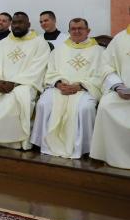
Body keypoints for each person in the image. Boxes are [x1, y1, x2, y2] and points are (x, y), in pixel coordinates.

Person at [0, 12, 49, 150]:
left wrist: (16, 83)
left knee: (19, 97)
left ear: (28, 24)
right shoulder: (4, 42)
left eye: (20, 23)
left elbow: (38, 68)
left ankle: (15, 142)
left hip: (24, 84)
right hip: (0, 81)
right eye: (14, 23)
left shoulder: (40, 43)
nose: (17, 26)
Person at [30, 18, 103, 159]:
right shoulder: (60, 50)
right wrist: (57, 83)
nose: (76, 31)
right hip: (59, 88)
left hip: (84, 89)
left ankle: (85, 147)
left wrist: (80, 85)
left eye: (80, 28)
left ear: (88, 31)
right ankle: (43, 144)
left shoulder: (99, 51)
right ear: (69, 31)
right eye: (73, 29)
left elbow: (101, 76)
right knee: (44, 104)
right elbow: (50, 71)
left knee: (85, 109)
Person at [90, 24, 130, 169]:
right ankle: (112, 155)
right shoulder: (119, 39)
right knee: (106, 106)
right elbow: (105, 67)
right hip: (123, 91)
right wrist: (118, 86)